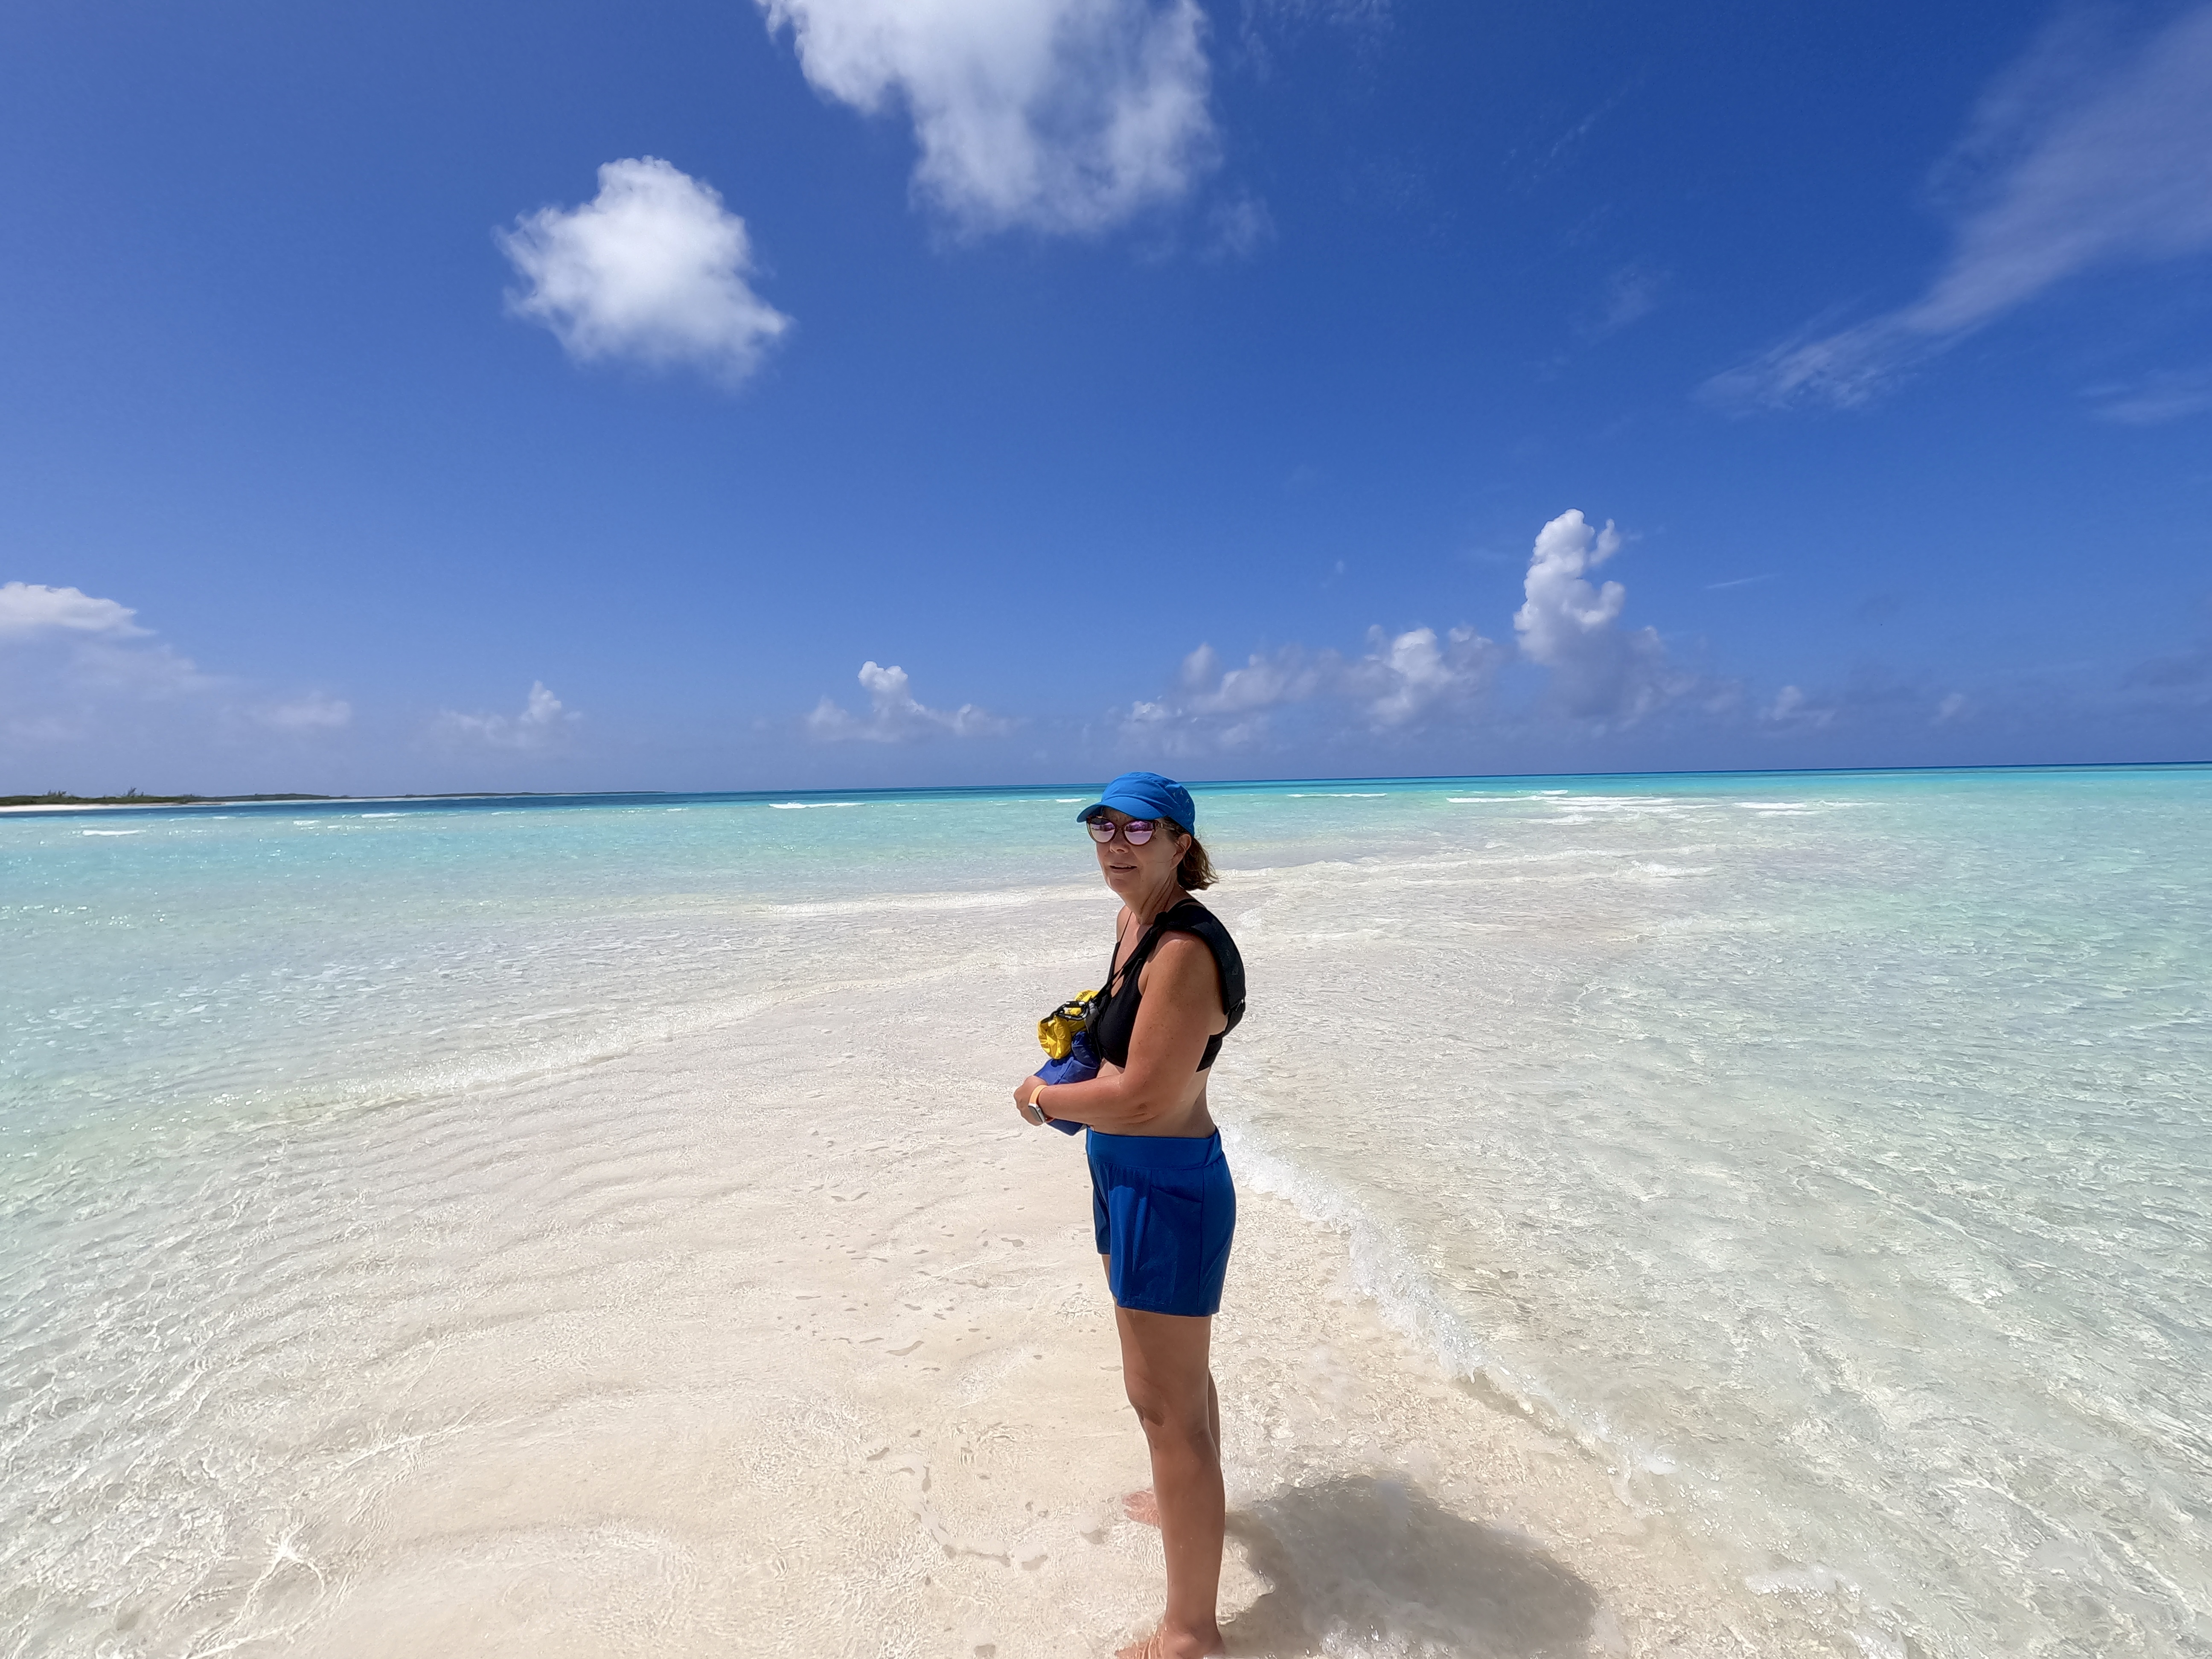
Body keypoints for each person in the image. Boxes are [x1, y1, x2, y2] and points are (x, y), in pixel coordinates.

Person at [1013, 771, 1246, 1659]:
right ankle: (1189, 1494)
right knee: (1176, 1391)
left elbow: (1145, 1098)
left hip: (1168, 1189)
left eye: (1139, 830)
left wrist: (1041, 1098)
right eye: (1103, 827)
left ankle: (1192, 1633)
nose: (1117, 843)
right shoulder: (1133, 925)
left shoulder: (1183, 948)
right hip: (1123, 1175)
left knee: (1162, 1408)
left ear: (1181, 843)